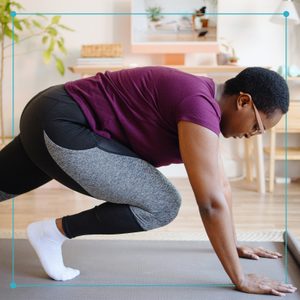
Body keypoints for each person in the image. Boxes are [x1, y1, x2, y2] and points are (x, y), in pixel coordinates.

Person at [0, 66, 297, 296]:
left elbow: (222, 186)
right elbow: (209, 203)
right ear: (243, 101)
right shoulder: (199, 104)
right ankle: (53, 233)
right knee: (163, 203)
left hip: (47, 112)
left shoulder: (202, 100)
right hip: (63, 125)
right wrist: (240, 278)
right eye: (257, 127)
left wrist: (234, 244)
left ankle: (50, 233)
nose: (252, 135)